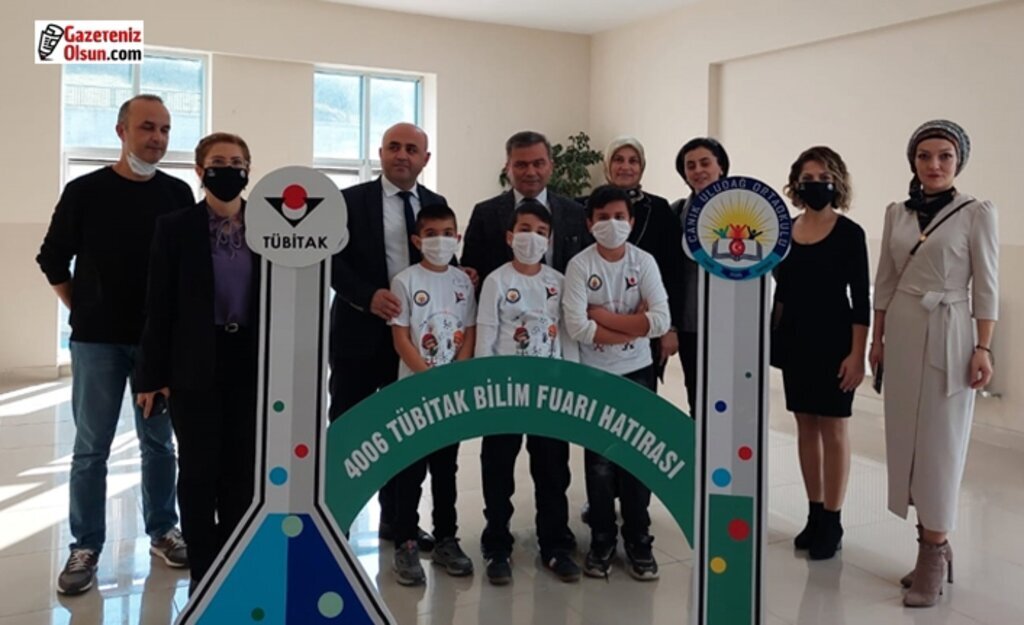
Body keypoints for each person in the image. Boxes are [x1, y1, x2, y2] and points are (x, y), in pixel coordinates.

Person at [36, 94, 191, 596]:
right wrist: (83, 308)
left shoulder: (177, 193)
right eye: (148, 127)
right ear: (121, 131)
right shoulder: (85, 192)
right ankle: (85, 546)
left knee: (159, 444)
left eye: (165, 129)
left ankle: (163, 531)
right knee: (91, 449)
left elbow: (186, 268)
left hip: (156, 345)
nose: (157, 138)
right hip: (98, 343)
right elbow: (52, 258)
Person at [870, 120, 998, 607]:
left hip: (950, 328)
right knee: (906, 438)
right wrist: (877, 339)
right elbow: (885, 280)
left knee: (941, 444)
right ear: (913, 161)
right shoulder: (897, 213)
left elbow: (986, 286)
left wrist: (983, 347)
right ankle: (932, 541)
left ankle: (933, 550)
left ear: (958, 161)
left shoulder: (976, 213)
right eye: (925, 156)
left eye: (945, 156)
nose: (935, 165)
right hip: (904, 328)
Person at [135, 132, 258, 593]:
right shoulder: (175, 227)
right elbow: (158, 304)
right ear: (200, 170)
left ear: (248, 170)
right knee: (199, 468)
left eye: (237, 161)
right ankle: (204, 573)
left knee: (242, 470)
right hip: (195, 360)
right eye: (218, 161)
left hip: (251, 361)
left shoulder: (268, 226)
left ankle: (236, 565)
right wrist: (152, 374)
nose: (228, 169)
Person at [329, 122, 447, 551]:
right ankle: (336, 521)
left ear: (425, 159)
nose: (402, 155)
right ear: (380, 153)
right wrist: (366, 296)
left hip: (413, 341)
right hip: (358, 335)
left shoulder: (435, 204)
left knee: (406, 432)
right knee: (350, 429)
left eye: (412, 149)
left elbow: (441, 260)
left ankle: (399, 522)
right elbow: (330, 260)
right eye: (394, 147)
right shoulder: (347, 202)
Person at [563, 185, 671, 580]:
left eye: (620, 217)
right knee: (600, 464)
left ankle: (639, 540)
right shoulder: (580, 265)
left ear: (632, 221)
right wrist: (634, 324)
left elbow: (660, 322)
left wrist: (603, 318)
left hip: (638, 372)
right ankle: (603, 539)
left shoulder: (644, 262)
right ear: (590, 223)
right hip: (595, 375)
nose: (612, 224)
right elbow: (577, 327)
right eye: (603, 217)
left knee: (638, 459)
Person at [475, 203, 581, 586]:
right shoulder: (496, 280)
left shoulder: (559, 281)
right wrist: (485, 388)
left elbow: (567, 335)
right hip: (504, 393)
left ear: (548, 240)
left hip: (549, 395)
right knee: (498, 469)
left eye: (540, 231)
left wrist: (571, 383)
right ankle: (496, 544)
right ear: (509, 236)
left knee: (553, 471)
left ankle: (555, 544)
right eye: (524, 229)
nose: (531, 238)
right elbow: (486, 334)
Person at [772, 146, 870, 560]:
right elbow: (780, 291)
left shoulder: (850, 234)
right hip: (795, 340)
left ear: (838, 182)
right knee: (805, 426)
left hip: (834, 341)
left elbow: (861, 300)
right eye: (808, 179)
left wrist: (857, 354)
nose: (816, 185)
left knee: (834, 428)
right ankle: (813, 512)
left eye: (824, 178)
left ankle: (833, 517)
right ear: (796, 183)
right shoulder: (784, 232)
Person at [389, 204, 477, 586]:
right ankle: (406, 541)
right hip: (414, 390)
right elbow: (401, 338)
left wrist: (456, 374)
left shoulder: (463, 282)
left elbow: (469, 331)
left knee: (446, 468)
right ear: (416, 240)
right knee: (410, 469)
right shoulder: (405, 280)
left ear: (457, 237)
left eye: (447, 233)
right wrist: (428, 380)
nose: (440, 241)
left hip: (451, 393)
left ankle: (446, 539)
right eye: (430, 234)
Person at [462, 130, 589, 283]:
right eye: (521, 165)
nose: (530, 172)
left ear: (551, 166)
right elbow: (470, 270)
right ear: (507, 168)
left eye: (538, 164)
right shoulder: (485, 214)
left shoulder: (575, 212)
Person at [670, 137, 731, 416]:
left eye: (705, 163)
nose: (698, 171)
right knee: (698, 396)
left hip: (731, 325)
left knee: (731, 398)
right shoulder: (676, 213)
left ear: (721, 167)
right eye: (690, 166)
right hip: (691, 323)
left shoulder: (742, 209)